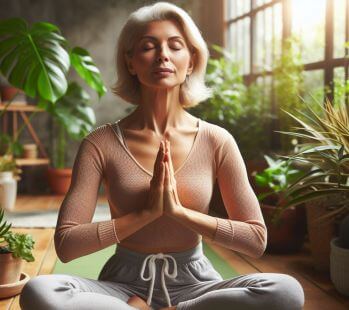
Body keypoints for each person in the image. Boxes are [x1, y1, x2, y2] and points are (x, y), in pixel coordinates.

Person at [19, 2, 305, 310]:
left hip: (198, 287)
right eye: (148, 46)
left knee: (286, 291)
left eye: (175, 46)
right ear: (130, 62)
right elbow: (66, 245)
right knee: (39, 291)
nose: (163, 55)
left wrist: (179, 212)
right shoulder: (100, 143)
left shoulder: (217, 140)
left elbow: (256, 239)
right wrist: (145, 215)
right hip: (121, 287)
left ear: (192, 61)